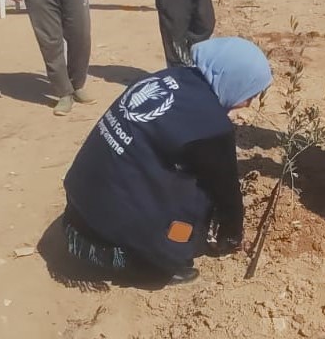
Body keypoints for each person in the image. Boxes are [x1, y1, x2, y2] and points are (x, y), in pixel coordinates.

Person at [63, 37, 272, 285]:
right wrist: (232, 235)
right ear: (233, 80)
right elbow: (224, 189)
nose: (249, 103)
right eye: (249, 93)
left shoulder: (168, 77)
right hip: (104, 237)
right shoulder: (211, 125)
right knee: (197, 193)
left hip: (79, 205)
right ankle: (153, 262)